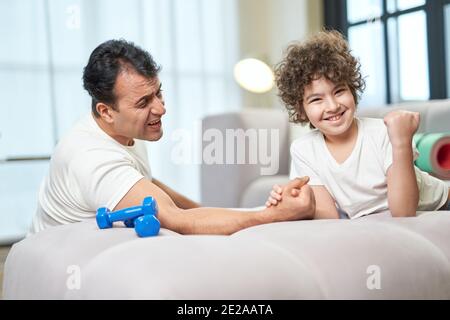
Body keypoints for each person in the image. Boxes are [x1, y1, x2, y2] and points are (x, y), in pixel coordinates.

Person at [29, 39, 316, 236]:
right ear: (106, 111)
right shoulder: (92, 159)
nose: (161, 108)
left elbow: (145, 182)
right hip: (62, 256)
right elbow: (177, 220)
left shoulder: (121, 127)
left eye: (159, 93)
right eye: (144, 103)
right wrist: (273, 217)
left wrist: (221, 212)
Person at [266, 30, 450, 219]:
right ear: (301, 109)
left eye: (339, 91)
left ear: (352, 90)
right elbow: (328, 217)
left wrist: (401, 142)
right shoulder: (303, 149)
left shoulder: (384, 133)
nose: (332, 106)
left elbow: (404, 212)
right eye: (316, 100)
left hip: (442, 203)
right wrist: (296, 204)